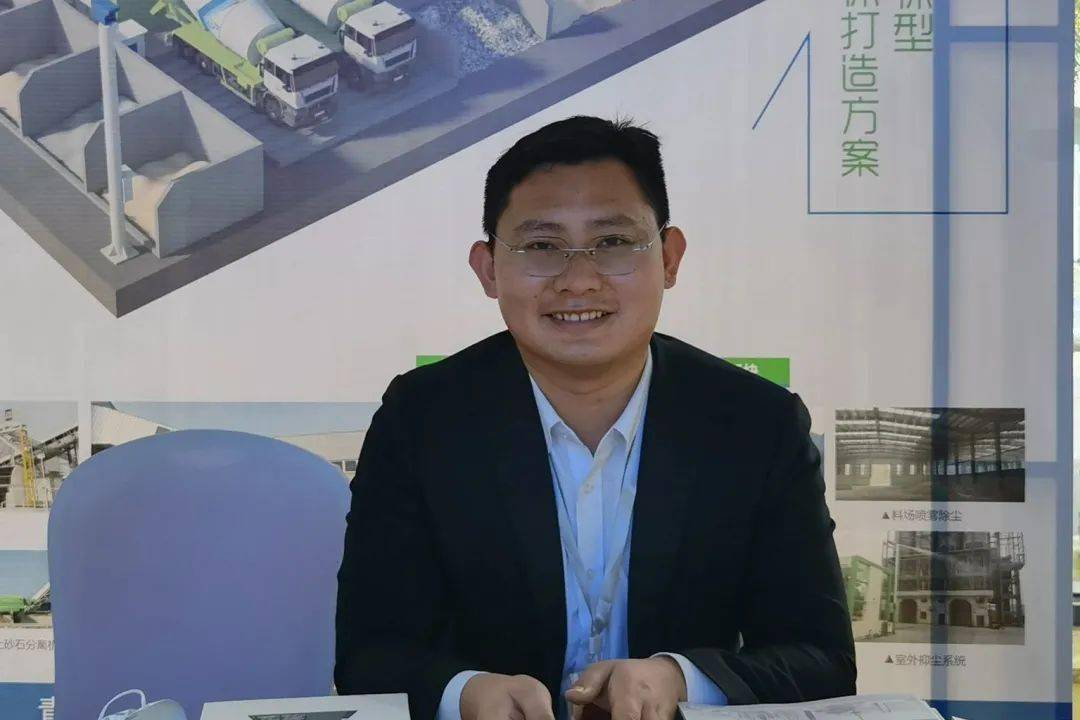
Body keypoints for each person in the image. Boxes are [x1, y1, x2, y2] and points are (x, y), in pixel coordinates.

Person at [334, 116, 855, 720]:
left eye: (612, 243)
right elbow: (369, 654)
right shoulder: (423, 420)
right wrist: (466, 693)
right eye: (541, 247)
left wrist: (680, 680)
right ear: (488, 269)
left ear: (669, 258)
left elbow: (820, 658)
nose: (579, 281)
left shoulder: (756, 424)